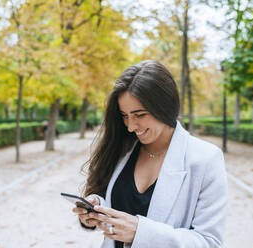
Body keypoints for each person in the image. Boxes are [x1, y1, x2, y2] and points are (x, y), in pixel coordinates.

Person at [72, 60, 228, 248]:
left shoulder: (205, 159)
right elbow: (120, 207)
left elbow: (209, 242)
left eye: (139, 115)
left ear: (165, 107)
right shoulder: (123, 148)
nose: (130, 126)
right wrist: (96, 209)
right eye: (124, 116)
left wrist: (141, 233)